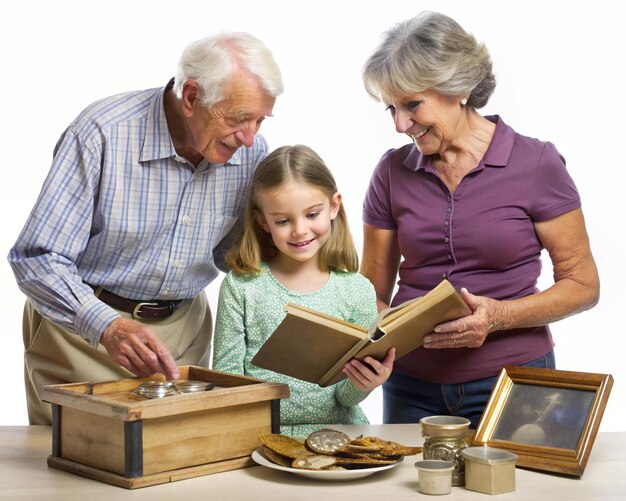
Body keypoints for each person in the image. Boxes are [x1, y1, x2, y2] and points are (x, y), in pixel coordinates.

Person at [8, 32, 283, 425]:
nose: (251, 137)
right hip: (81, 334)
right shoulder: (101, 132)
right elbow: (37, 259)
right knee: (74, 476)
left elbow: (236, 258)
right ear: (191, 97)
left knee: (174, 472)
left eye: (260, 119)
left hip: (185, 335)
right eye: (240, 118)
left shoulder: (252, 152)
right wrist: (107, 327)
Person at [360, 11, 600, 428]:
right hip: (410, 385)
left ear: (460, 88)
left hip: (515, 380)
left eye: (413, 104)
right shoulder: (391, 172)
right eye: (392, 109)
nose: (400, 125)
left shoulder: (536, 163)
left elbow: (583, 286)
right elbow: (371, 293)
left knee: (520, 492)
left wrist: (498, 317)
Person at [212, 144, 395, 437]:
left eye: (312, 214)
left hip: (340, 436)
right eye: (283, 221)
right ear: (263, 221)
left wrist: (366, 383)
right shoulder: (242, 286)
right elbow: (227, 379)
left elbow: (345, 398)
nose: (299, 230)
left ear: (334, 206)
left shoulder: (356, 290)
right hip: (263, 436)